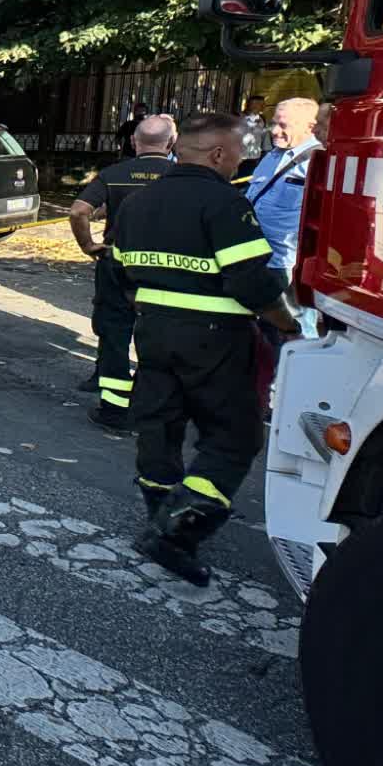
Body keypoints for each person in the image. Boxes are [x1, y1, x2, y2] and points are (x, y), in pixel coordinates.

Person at [111, 113, 299, 586]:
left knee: (160, 425)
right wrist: (291, 328)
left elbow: (120, 277)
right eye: (238, 152)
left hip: (152, 332)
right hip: (216, 338)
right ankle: (175, 533)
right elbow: (251, 283)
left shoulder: (137, 203)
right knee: (235, 437)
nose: (242, 160)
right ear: (218, 154)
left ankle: (159, 511)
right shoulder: (225, 203)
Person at [69, 116, 177, 430]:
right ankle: (149, 405)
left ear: (134, 142)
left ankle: (115, 410)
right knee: (158, 337)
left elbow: (78, 210)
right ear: (171, 143)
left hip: (117, 264)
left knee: (115, 336)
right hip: (167, 270)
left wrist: (88, 245)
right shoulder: (182, 177)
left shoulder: (114, 174)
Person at [246, 97, 321, 339]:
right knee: (265, 333)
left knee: (296, 332)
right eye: (274, 124)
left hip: (288, 264)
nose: (275, 131)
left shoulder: (318, 160)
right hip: (259, 258)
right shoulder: (272, 156)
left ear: (309, 126)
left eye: (284, 125)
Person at [237, 94, 270, 179]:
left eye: (263, 105)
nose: (263, 107)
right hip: (236, 157)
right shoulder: (236, 118)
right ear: (251, 105)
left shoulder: (262, 120)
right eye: (260, 104)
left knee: (245, 182)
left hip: (253, 160)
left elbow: (265, 140)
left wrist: (265, 158)